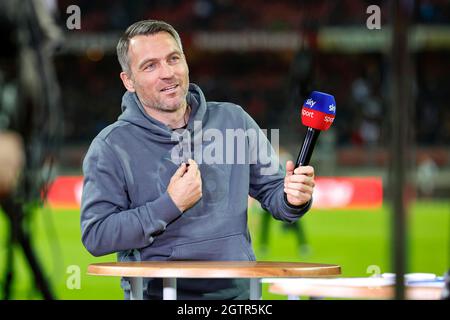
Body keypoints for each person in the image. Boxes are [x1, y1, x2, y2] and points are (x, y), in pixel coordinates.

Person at [80, 19, 316, 300]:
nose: (167, 73)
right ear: (128, 81)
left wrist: (293, 196)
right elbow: (97, 234)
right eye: (150, 65)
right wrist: (169, 205)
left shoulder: (234, 120)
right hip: (158, 295)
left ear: (185, 62)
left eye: (173, 58)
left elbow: (277, 196)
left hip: (240, 295)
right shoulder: (110, 146)